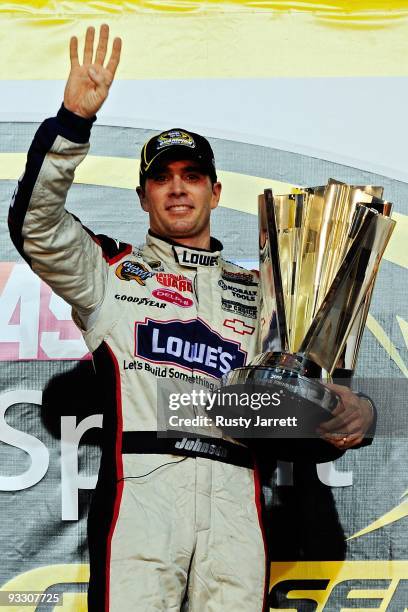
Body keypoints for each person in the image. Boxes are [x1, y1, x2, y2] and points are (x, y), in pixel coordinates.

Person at [8, 25, 375, 612]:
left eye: (191, 175)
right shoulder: (111, 272)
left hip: (237, 497)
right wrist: (72, 123)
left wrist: (352, 417)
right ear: (143, 196)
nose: (177, 188)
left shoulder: (267, 295)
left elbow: (306, 406)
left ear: (215, 190)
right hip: (142, 496)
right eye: (162, 177)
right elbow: (37, 228)